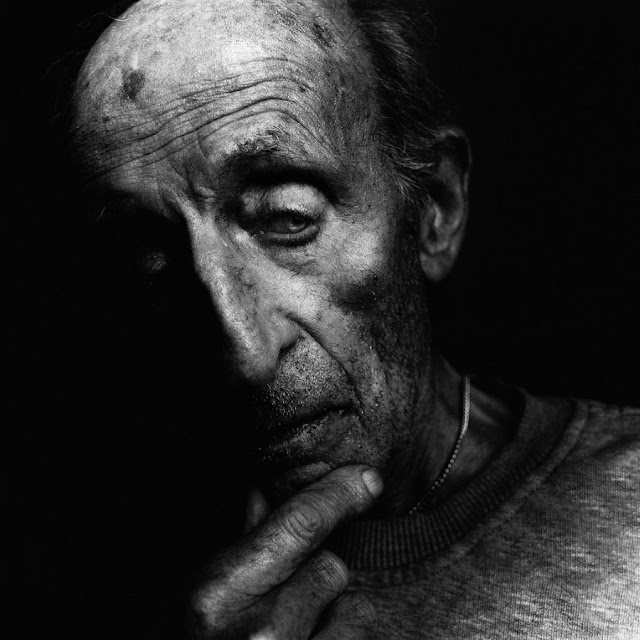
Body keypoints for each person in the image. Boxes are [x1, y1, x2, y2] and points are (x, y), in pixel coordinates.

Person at [69, 0, 640, 637]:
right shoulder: (94, 571)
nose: (246, 354)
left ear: (435, 208)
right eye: (158, 264)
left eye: (288, 217)